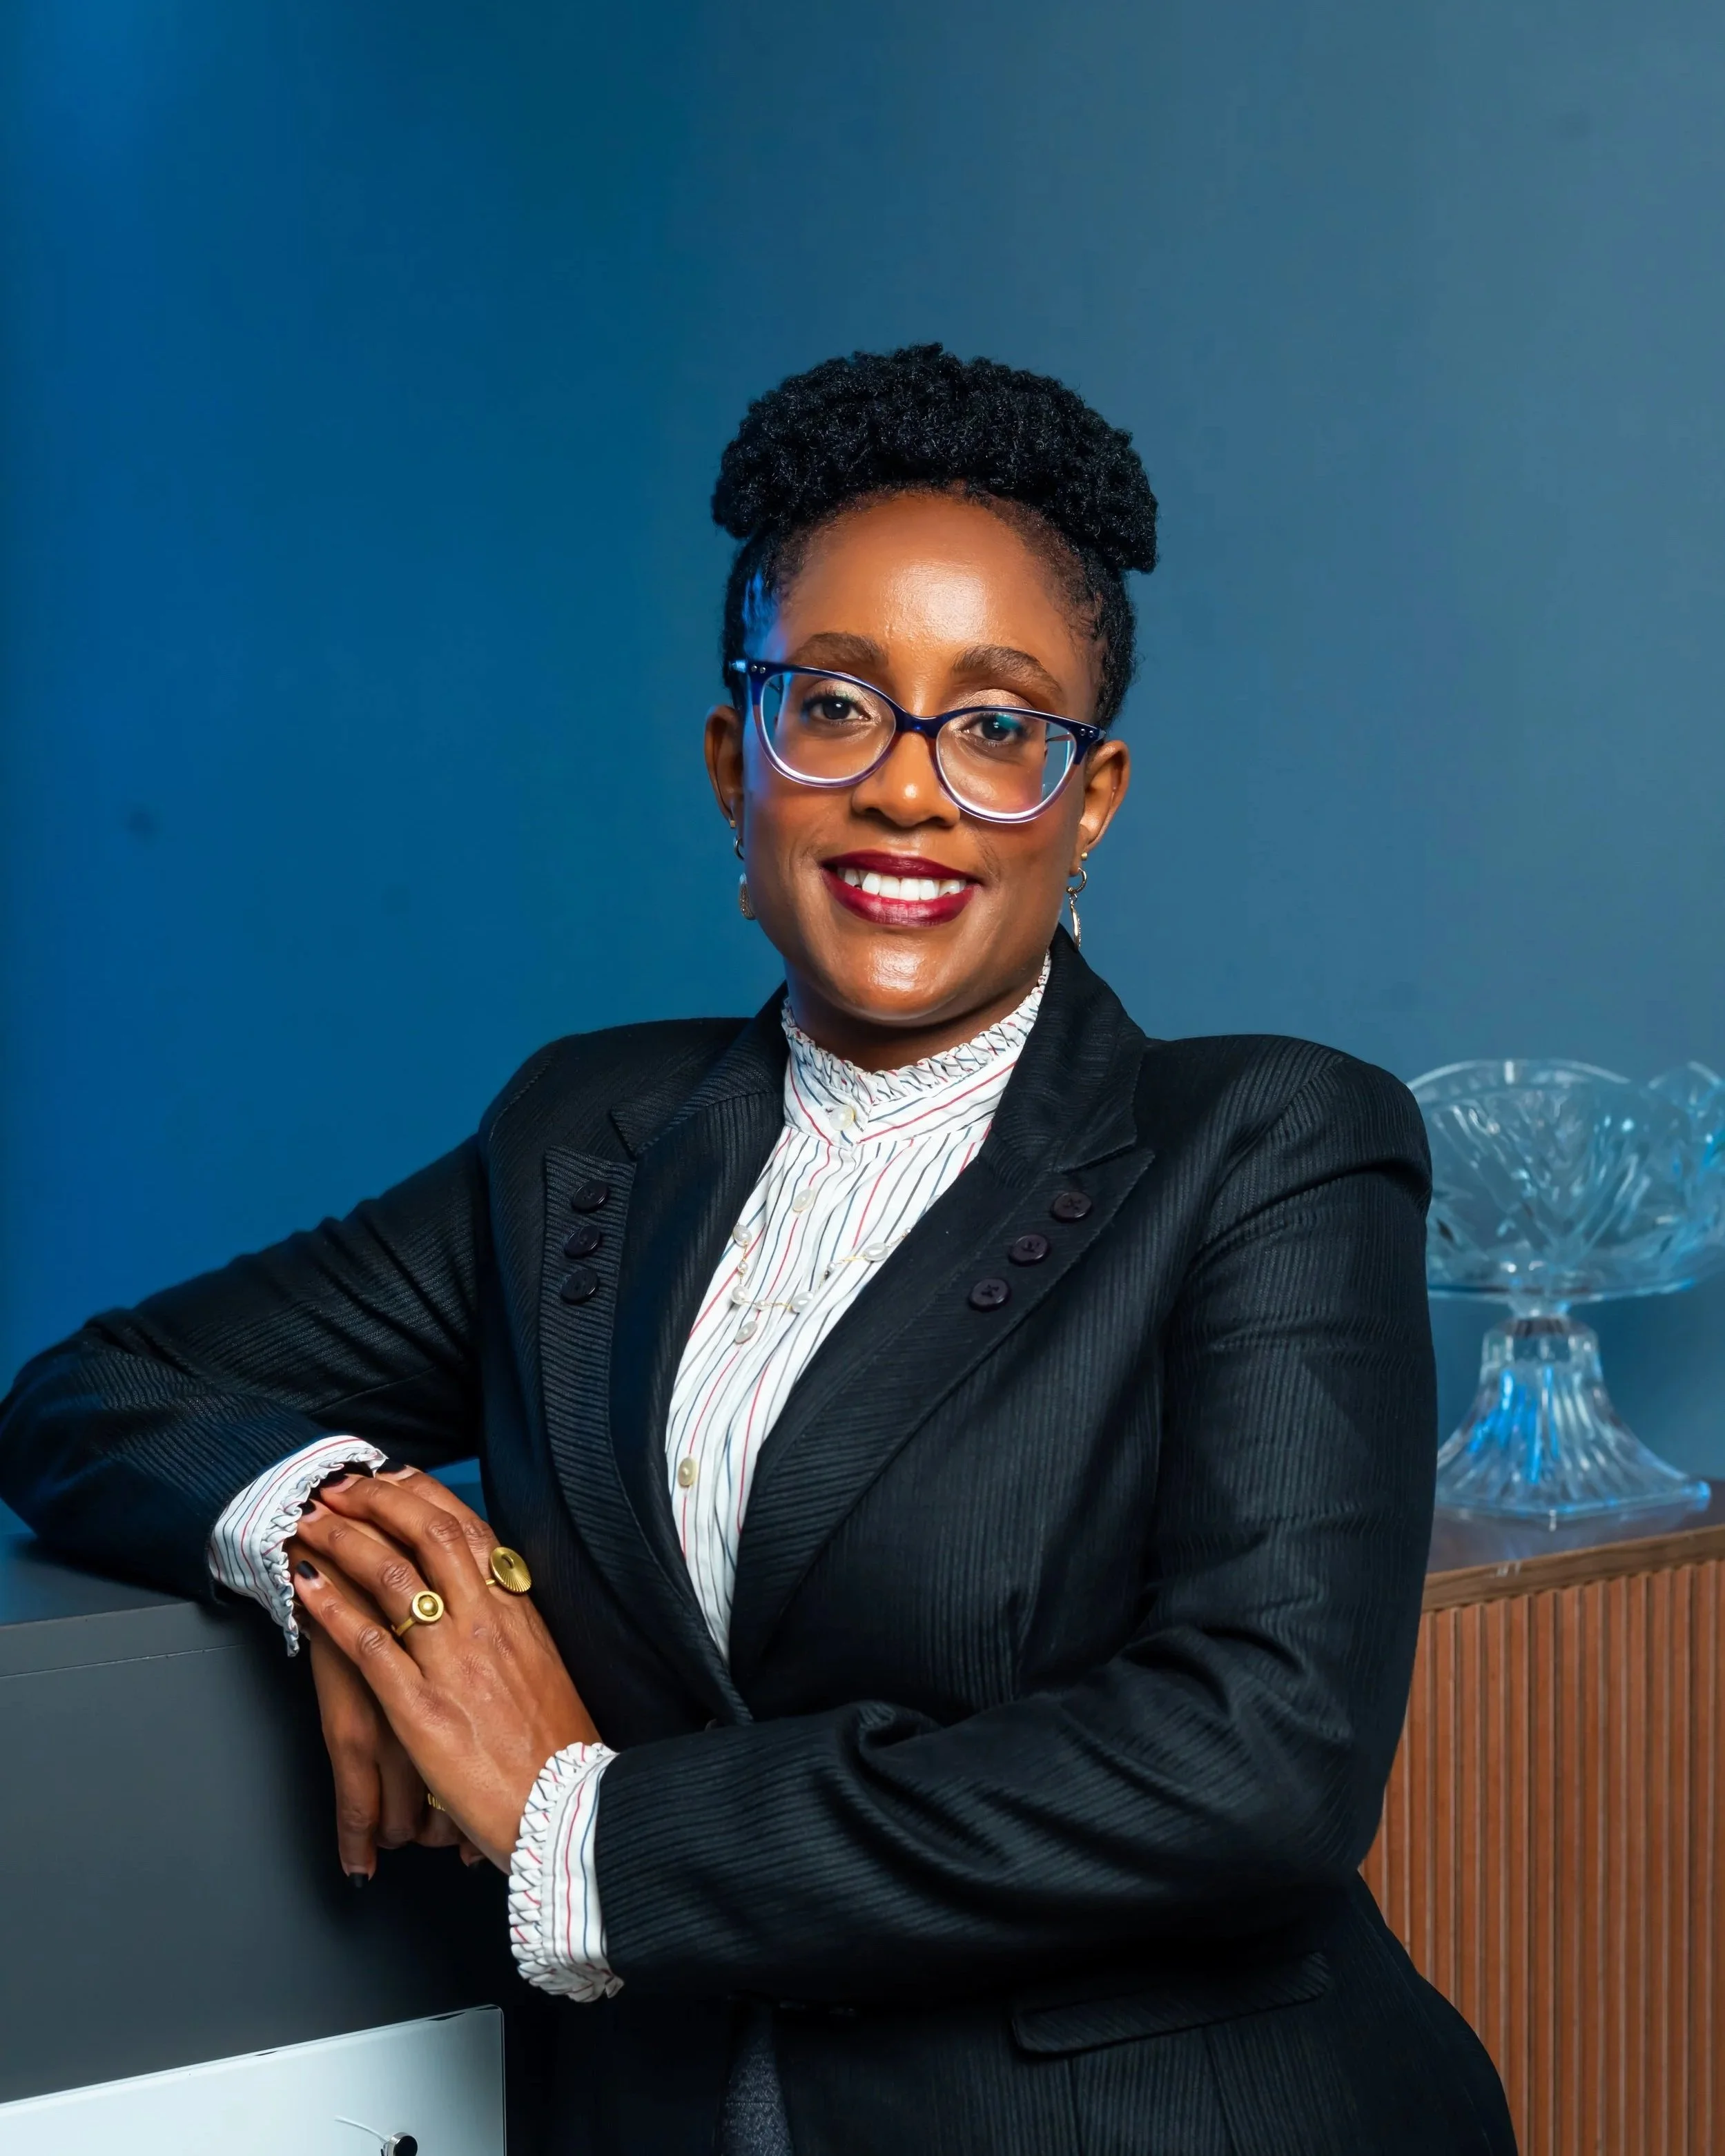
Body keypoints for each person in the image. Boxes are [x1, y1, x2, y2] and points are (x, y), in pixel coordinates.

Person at [0, 345, 1515, 2155]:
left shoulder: (1271, 1142)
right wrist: (366, 1541)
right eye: (837, 704)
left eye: (998, 724)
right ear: (738, 759)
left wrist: (588, 1827)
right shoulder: (585, 1139)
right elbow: (96, 1392)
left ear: (1091, 796)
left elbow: (1257, 1761)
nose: (908, 788)